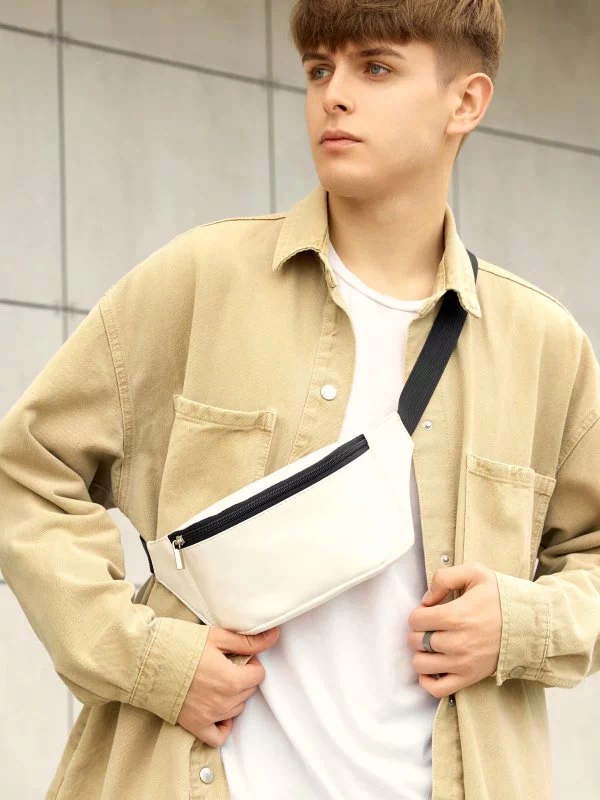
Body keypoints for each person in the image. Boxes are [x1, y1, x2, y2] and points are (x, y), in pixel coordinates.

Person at [1, 1, 599, 798]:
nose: (333, 95)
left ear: (466, 101)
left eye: (375, 67)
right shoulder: (203, 280)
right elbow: (27, 469)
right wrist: (145, 657)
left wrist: (520, 625)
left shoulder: (543, 347)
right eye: (320, 68)